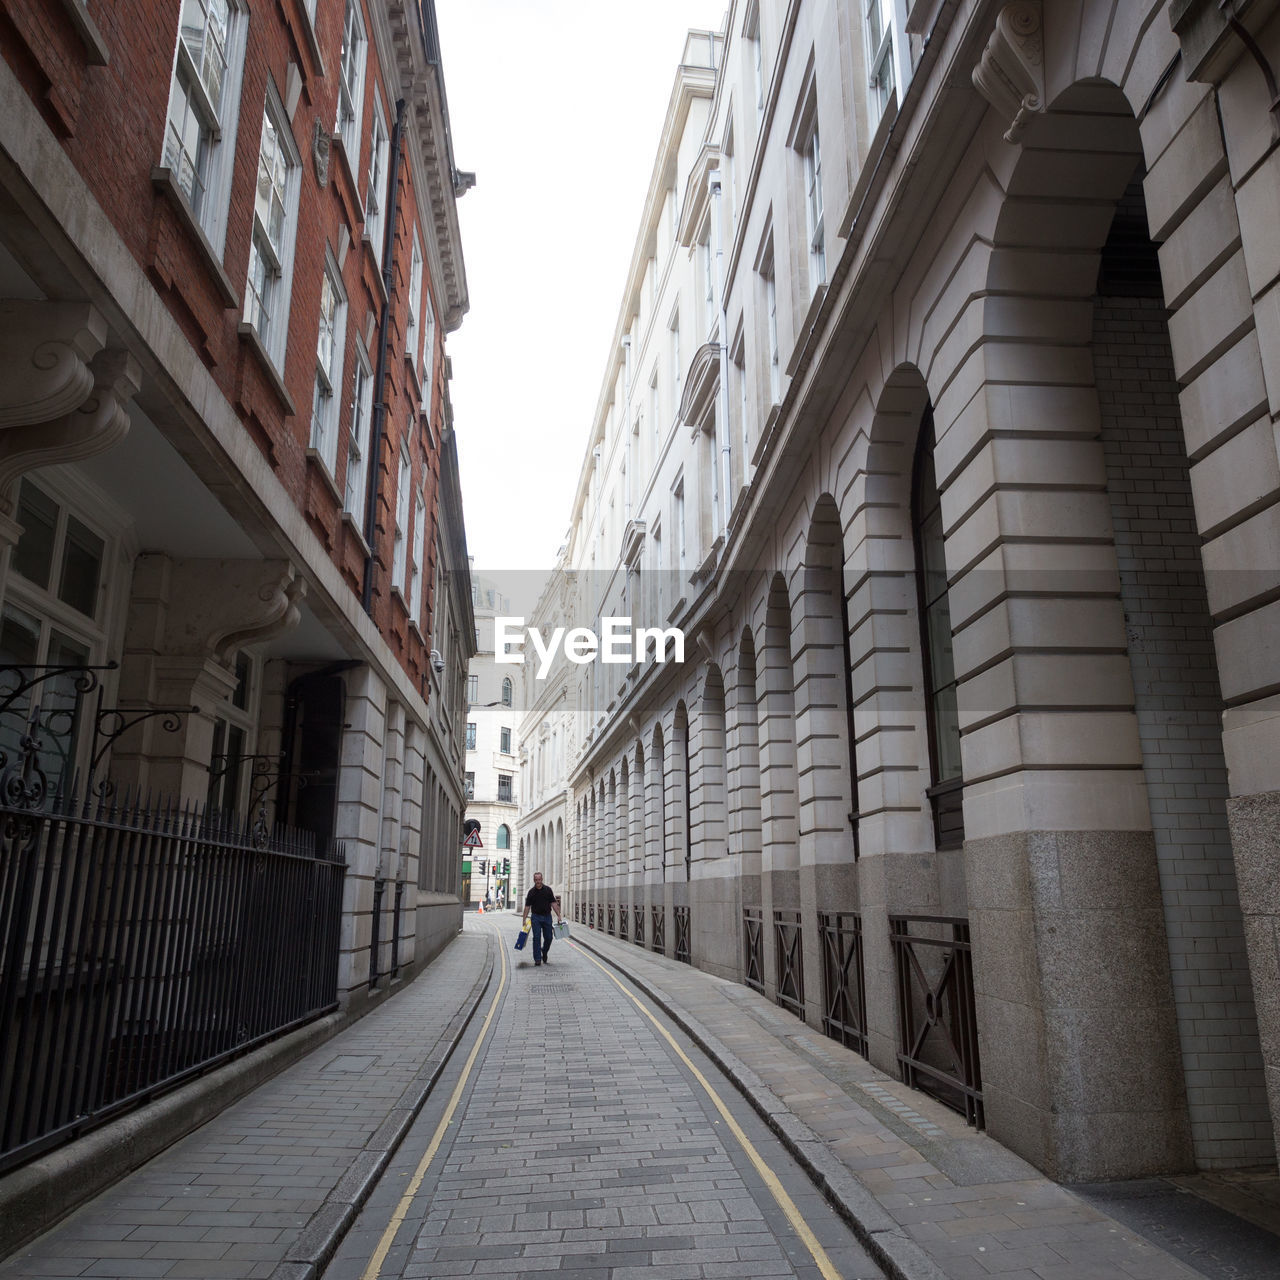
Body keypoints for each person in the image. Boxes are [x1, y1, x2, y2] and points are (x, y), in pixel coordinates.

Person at [522, 871, 562, 966]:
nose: (538, 881)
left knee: (549, 937)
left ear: (542, 879)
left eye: (539, 880)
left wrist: (559, 916)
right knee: (536, 938)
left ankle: (544, 951)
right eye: (536, 880)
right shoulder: (531, 892)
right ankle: (537, 959)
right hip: (535, 917)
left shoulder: (548, 890)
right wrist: (524, 919)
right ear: (534, 880)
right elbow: (527, 907)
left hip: (547, 917)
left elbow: (553, 903)